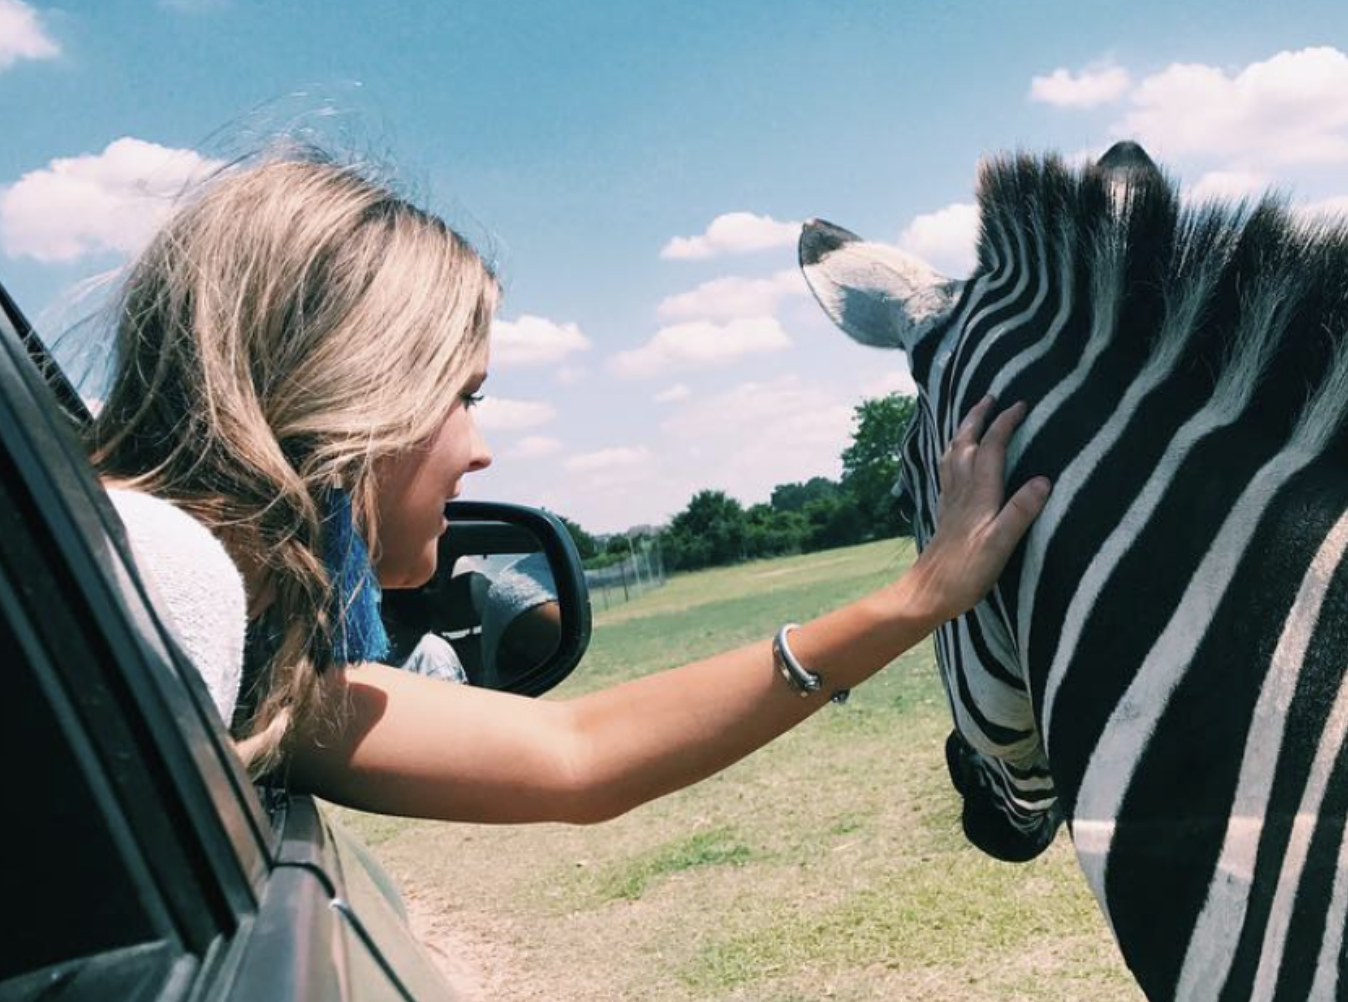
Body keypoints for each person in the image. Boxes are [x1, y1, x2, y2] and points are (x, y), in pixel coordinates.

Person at [87, 150, 1051, 825]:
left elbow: (578, 757)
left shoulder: (252, 672)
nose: (481, 450)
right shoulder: (160, 581)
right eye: (461, 395)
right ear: (351, 394)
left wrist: (923, 595)